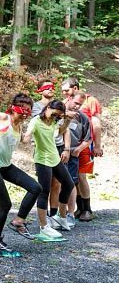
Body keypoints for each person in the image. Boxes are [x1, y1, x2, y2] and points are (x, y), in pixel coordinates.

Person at [0, 93, 42, 254]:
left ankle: (18, 222)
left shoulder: (20, 125)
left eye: (28, 110)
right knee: (5, 204)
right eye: (22, 109)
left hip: (5, 165)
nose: (25, 113)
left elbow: (22, 141)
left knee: (35, 188)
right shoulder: (3, 118)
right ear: (13, 108)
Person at [23, 100, 74, 238]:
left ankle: (61, 217)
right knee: (44, 191)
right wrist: (23, 137)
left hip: (54, 158)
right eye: (54, 113)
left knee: (68, 184)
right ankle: (43, 226)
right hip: (42, 160)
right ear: (48, 107)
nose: (55, 117)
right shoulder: (35, 121)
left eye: (58, 115)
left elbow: (59, 132)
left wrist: (67, 121)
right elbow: (27, 136)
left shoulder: (53, 121)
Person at [61, 78, 103, 222]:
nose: (65, 93)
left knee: (81, 176)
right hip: (69, 145)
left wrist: (97, 145)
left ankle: (87, 209)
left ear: (75, 88)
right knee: (72, 177)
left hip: (85, 144)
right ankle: (78, 207)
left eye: (67, 90)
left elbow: (96, 123)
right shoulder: (66, 102)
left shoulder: (91, 101)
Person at [48, 92, 91, 228]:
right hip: (54, 151)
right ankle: (53, 215)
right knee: (55, 184)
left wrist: (78, 149)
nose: (77, 106)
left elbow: (88, 138)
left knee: (71, 183)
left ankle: (70, 215)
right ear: (69, 99)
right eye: (76, 103)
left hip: (73, 154)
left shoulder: (83, 118)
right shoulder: (57, 112)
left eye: (80, 105)